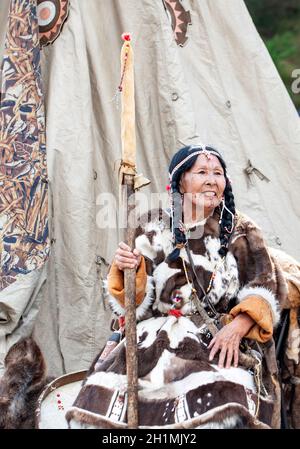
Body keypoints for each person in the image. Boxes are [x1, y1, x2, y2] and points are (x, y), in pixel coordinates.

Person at [66, 144, 299, 429]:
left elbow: (264, 288)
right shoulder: (150, 225)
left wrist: (236, 329)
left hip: (216, 336)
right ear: (180, 183)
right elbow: (135, 305)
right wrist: (127, 270)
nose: (212, 180)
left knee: (224, 402)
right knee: (102, 402)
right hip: (152, 338)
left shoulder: (241, 230)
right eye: (202, 172)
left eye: (218, 173)